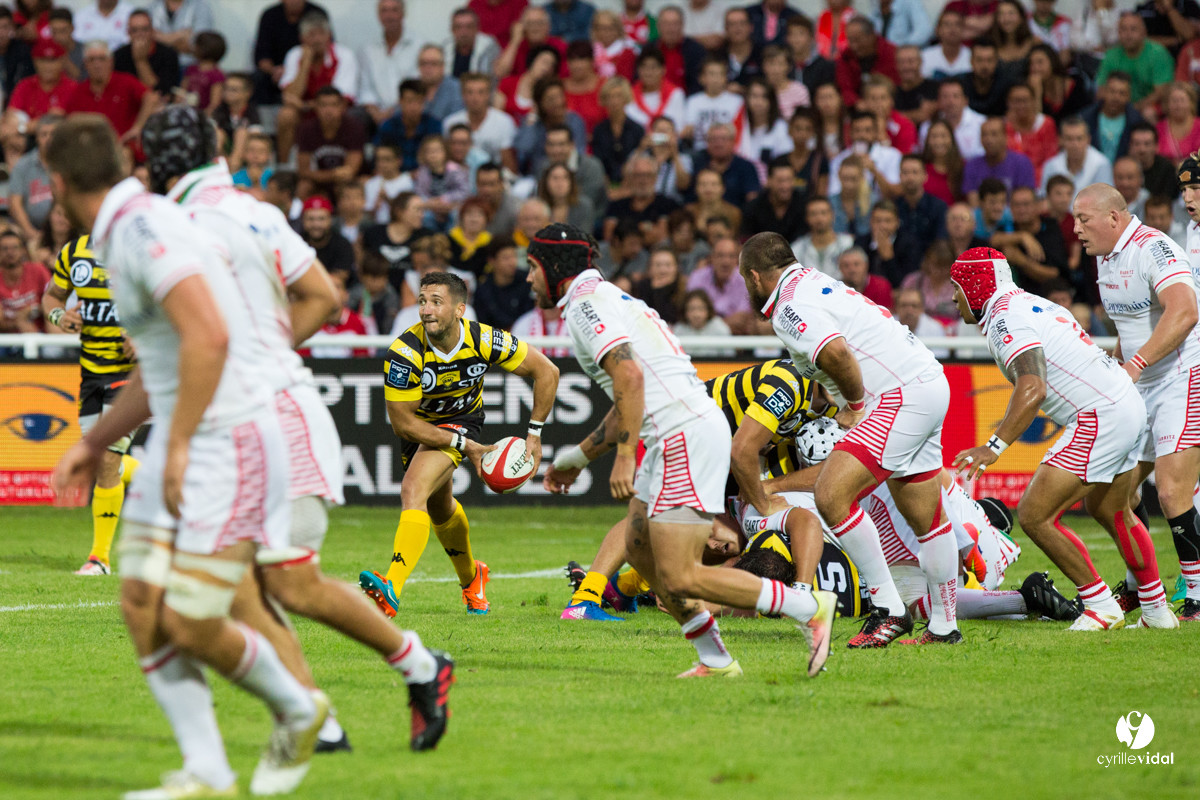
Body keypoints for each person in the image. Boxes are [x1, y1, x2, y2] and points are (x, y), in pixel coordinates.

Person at [143, 105, 458, 752]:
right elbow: (323, 296)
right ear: (220, 144)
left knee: (286, 581)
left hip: (270, 417)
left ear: (151, 163)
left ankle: (420, 664)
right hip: (258, 414)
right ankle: (320, 720)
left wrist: (248, 359)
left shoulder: (173, 226)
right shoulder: (256, 211)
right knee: (243, 587)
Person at [47, 113, 328, 799]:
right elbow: (171, 359)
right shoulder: (121, 229)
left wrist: (172, 448)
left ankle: (298, 705)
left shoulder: (141, 231)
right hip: (193, 427)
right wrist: (92, 440)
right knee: (141, 600)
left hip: (226, 436)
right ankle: (205, 770)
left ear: (56, 182)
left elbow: (208, 339)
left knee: (193, 620)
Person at [532, 223, 836, 672]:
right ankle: (714, 658)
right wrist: (576, 459)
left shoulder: (584, 307)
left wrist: (623, 456)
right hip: (682, 430)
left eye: (532, 267)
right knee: (638, 547)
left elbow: (629, 380)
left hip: (683, 436)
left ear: (552, 267)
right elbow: (629, 396)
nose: (528, 278)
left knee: (681, 575)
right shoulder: (608, 298)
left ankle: (806, 608)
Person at [739, 231, 962, 646]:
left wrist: (857, 403)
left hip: (899, 393)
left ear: (754, 277)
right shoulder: (812, 284)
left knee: (831, 495)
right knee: (927, 518)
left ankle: (889, 610)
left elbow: (837, 353)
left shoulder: (789, 306)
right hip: (928, 381)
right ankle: (946, 627)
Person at [950, 245, 1174, 629]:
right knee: (1112, 510)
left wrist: (993, 446)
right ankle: (1156, 610)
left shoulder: (1005, 318)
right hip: (1124, 403)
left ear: (976, 286)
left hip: (1099, 414)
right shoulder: (1032, 304)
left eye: (957, 288)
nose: (954, 298)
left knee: (1035, 515)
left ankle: (1100, 604)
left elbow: (1032, 388)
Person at [359, 271, 559, 616]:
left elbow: (548, 372)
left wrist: (534, 434)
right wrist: (466, 447)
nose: (426, 310)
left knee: (413, 490)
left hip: (463, 419)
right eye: (422, 301)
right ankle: (473, 579)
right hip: (419, 429)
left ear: (459, 310)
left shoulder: (484, 339)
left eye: (436, 302)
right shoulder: (404, 352)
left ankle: (391, 586)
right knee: (439, 507)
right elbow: (403, 423)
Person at [1081, 178, 1200, 623]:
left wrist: (1136, 365)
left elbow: (1185, 310)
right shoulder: (1106, 258)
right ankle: (1138, 588)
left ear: (1113, 217)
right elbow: (1129, 326)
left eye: (1083, 219)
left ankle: (1198, 598)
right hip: (1139, 382)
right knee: (1117, 495)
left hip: (1180, 376)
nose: (1076, 229)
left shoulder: (1154, 247)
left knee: (1171, 492)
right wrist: (1117, 367)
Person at [41, 232, 139, 576]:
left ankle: (100, 558)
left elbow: (174, 302)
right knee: (102, 462)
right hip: (90, 374)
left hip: (131, 375)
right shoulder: (73, 252)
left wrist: (145, 334)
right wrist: (60, 318)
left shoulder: (142, 247)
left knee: (109, 457)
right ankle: (165, 478)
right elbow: (52, 297)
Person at [275, 10, 359, 162]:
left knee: (332, 111)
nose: (317, 40)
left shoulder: (344, 55)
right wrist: (306, 63)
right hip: (305, 114)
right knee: (286, 115)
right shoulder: (295, 54)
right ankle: (284, 166)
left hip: (333, 111)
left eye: (321, 34)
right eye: (311, 35)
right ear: (302, 38)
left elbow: (340, 100)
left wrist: (303, 105)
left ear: (329, 36)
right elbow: (290, 96)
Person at [64, 41, 155, 145]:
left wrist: (138, 127)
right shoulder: (78, 92)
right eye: (92, 60)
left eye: (102, 59)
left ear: (110, 61)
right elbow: (70, 122)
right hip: (92, 151)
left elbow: (151, 98)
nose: (97, 65)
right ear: (85, 64)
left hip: (125, 148)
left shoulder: (126, 82)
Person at [1097, 13, 1173, 116]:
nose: (1128, 34)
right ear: (1118, 33)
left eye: (1133, 29)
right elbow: (1101, 89)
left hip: (1151, 106)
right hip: (1119, 105)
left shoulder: (1158, 53)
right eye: (1123, 29)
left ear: (1144, 33)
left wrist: (1133, 109)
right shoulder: (1111, 55)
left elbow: (1161, 92)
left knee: (1148, 113)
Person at [296, 86, 365, 199]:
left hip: (347, 181)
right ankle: (300, 216)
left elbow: (351, 170)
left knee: (351, 185)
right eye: (323, 105)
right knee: (304, 186)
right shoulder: (306, 129)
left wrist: (337, 175)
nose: (328, 110)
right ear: (315, 106)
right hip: (318, 181)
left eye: (333, 105)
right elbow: (303, 171)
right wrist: (333, 175)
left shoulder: (355, 128)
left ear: (342, 106)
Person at [685, 236, 755, 333]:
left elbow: (741, 320)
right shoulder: (697, 277)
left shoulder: (745, 281)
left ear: (737, 260)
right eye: (720, 255)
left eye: (731, 256)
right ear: (712, 258)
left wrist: (708, 323)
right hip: (700, 335)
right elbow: (691, 313)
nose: (725, 262)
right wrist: (722, 324)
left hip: (736, 339)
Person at [8, 113, 58, 244]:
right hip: (30, 232)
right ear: (36, 138)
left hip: (64, 231)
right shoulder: (23, 164)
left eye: (53, 134)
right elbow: (15, 204)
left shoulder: (68, 162)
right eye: (44, 134)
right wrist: (30, 232)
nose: (48, 139)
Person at [963, 117, 1036, 202]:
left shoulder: (1022, 163)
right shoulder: (972, 166)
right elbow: (974, 204)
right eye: (984, 135)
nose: (988, 140)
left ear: (1005, 137)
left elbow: (1024, 201)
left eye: (994, 134)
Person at [113, 8, 180, 98]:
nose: (140, 34)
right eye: (135, 30)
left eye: (144, 29)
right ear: (128, 33)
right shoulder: (119, 56)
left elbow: (161, 93)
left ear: (152, 31)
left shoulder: (169, 55)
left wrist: (141, 60)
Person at [1039, 117, 1114, 197]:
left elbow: (1106, 200)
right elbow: (1044, 198)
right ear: (1060, 140)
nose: (1075, 144)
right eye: (1069, 139)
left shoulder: (1101, 164)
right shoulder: (1051, 166)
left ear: (1088, 139)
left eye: (1079, 138)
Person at [683, 56, 744, 153]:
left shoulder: (737, 101)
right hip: (700, 150)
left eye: (720, 74)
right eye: (711, 74)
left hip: (728, 151)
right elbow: (688, 129)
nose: (716, 79)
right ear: (701, 78)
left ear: (726, 78)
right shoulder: (693, 101)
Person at [1081, 71, 1143, 166]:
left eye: (1122, 93)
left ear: (1129, 96)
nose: (1116, 97)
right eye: (1112, 91)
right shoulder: (1085, 119)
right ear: (1104, 91)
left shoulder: (1137, 122)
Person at [835, 15, 899, 107]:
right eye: (850, 40)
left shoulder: (891, 53)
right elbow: (845, 88)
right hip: (857, 110)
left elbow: (894, 86)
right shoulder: (846, 57)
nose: (854, 46)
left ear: (872, 36)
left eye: (857, 40)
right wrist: (857, 103)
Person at [8, 39, 75, 124]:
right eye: (42, 60)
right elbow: (11, 116)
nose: (47, 66)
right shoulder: (24, 85)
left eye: (52, 60)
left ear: (62, 61)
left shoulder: (73, 87)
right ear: (35, 61)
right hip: (26, 135)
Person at [857, 199, 920, 285]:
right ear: (870, 222)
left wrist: (889, 259)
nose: (882, 226)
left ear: (897, 223)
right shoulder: (860, 242)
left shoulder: (909, 244)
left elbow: (906, 282)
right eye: (878, 221)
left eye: (888, 221)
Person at [1006, 83, 1059, 186]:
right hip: (1011, 183)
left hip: (1041, 182)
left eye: (1025, 100)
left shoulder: (1046, 124)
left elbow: (1051, 160)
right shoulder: (1003, 127)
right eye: (1016, 101)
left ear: (1034, 101)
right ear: (1009, 103)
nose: (1021, 105)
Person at [921, 79, 985, 161]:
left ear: (965, 100)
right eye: (945, 96)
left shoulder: (981, 123)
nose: (950, 101)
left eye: (955, 96)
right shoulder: (927, 127)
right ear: (938, 101)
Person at [896, 155, 948, 255]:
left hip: (931, 263)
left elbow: (941, 241)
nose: (910, 177)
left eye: (915, 172)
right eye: (905, 173)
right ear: (900, 176)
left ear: (925, 176)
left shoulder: (938, 207)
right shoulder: (894, 207)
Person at [743, 162, 808, 241]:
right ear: (769, 181)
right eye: (780, 181)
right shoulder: (753, 208)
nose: (785, 186)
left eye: (789, 180)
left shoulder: (804, 205)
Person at [791, 196, 853, 276]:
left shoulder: (848, 244)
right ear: (807, 218)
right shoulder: (797, 249)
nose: (819, 218)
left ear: (832, 215)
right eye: (813, 214)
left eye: (823, 213)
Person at [959, 41, 1013, 119]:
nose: (984, 65)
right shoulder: (960, 84)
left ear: (996, 61)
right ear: (971, 61)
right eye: (979, 60)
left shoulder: (1008, 85)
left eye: (989, 60)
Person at [1130, 122, 1182, 199]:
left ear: (1156, 146)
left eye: (1147, 144)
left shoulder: (1167, 170)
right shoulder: (1123, 168)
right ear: (1130, 146)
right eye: (1137, 144)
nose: (1142, 149)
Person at [920, 118, 965, 205]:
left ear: (952, 139)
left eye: (943, 136)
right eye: (934, 136)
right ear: (927, 141)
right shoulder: (921, 168)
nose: (939, 141)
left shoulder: (963, 167)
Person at [445, 7, 499, 79]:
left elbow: (486, 79)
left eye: (469, 27)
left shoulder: (488, 47)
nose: (464, 32)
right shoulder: (445, 48)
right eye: (458, 27)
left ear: (477, 28)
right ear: (452, 29)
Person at [1157, 82, 1200, 165]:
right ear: (1167, 104)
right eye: (1174, 101)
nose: (1178, 105)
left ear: (1191, 103)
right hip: (1167, 175)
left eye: (1182, 100)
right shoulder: (1158, 129)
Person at [894, 45, 937, 126]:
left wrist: (897, 116)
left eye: (911, 61)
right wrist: (916, 114)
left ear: (920, 62)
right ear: (896, 65)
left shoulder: (934, 88)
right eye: (901, 62)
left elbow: (924, 115)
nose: (906, 66)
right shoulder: (892, 92)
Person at [922, 9, 971, 80]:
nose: (952, 28)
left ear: (963, 30)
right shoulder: (924, 57)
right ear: (937, 30)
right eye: (947, 24)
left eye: (957, 24)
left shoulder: (972, 56)